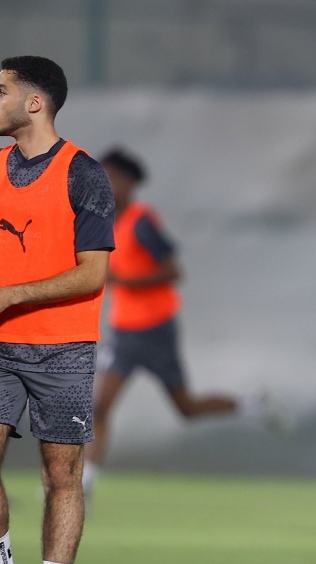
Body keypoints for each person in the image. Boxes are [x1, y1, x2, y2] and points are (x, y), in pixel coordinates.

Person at [0, 56, 114, 564]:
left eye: (0, 91)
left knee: (60, 478)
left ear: (35, 103)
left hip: (63, 349)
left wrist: (7, 295)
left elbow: (92, 275)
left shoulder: (84, 174)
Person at [81, 148, 275, 500]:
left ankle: (249, 405)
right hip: (124, 331)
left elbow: (173, 271)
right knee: (100, 407)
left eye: (110, 177)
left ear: (128, 183)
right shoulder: (107, 221)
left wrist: (124, 282)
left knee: (186, 408)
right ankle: (86, 484)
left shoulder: (141, 220)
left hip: (155, 329)